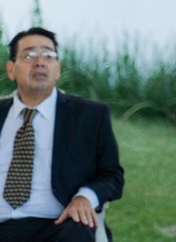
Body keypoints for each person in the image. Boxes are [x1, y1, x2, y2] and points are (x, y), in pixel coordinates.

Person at [0, 27, 124, 242]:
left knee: (79, 232)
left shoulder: (90, 115)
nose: (40, 62)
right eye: (29, 55)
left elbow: (112, 176)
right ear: (11, 69)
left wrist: (85, 197)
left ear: (57, 69)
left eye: (49, 55)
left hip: (57, 225)